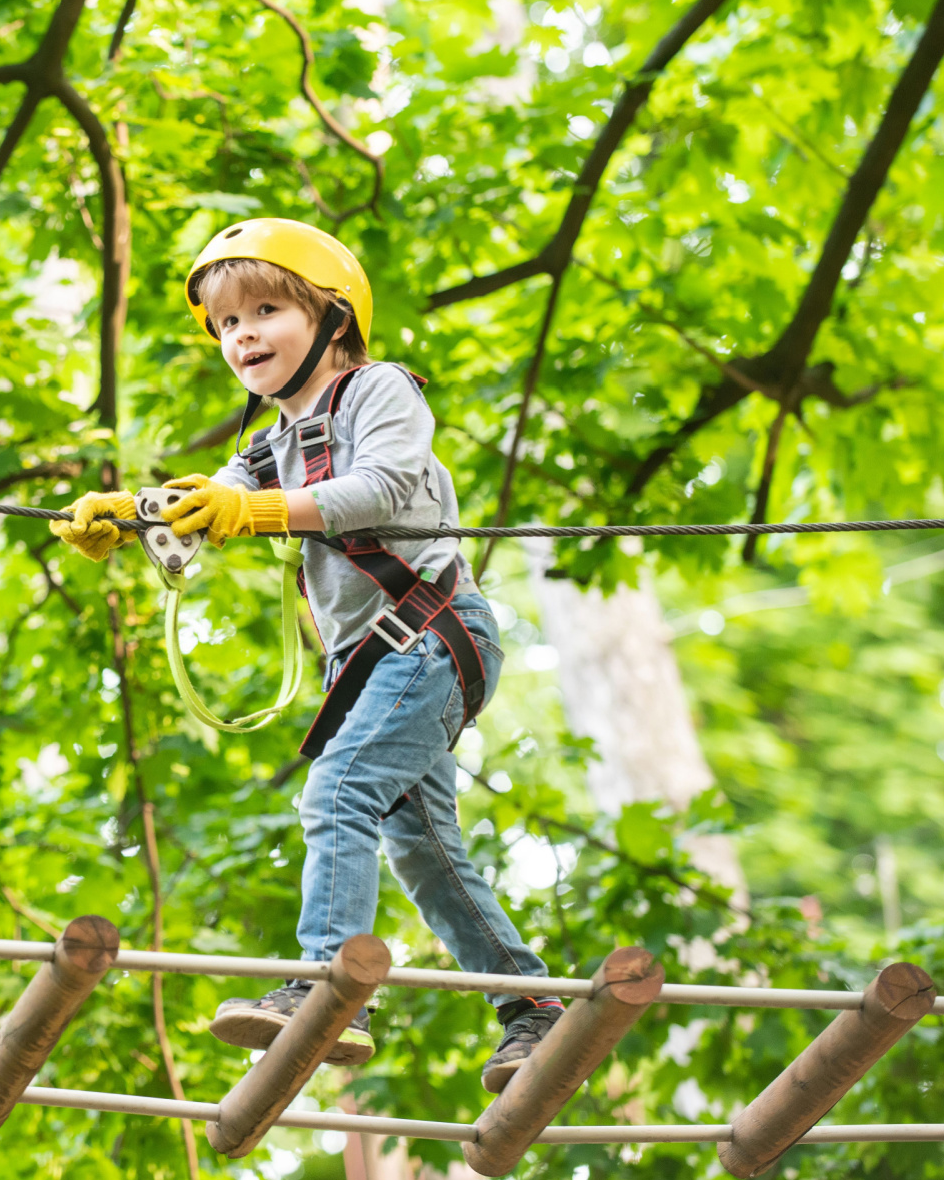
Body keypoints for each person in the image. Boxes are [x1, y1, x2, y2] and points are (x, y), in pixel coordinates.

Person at [50, 218, 563, 1090]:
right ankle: (532, 1007)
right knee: (424, 850)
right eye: (226, 324)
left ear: (331, 318)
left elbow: (385, 487)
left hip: (432, 636)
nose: (242, 333)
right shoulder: (273, 442)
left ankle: (331, 985)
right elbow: (212, 499)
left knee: (340, 790)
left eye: (265, 309)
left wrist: (254, 511)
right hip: (373, 662)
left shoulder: (379, 390)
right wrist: (129, 511)